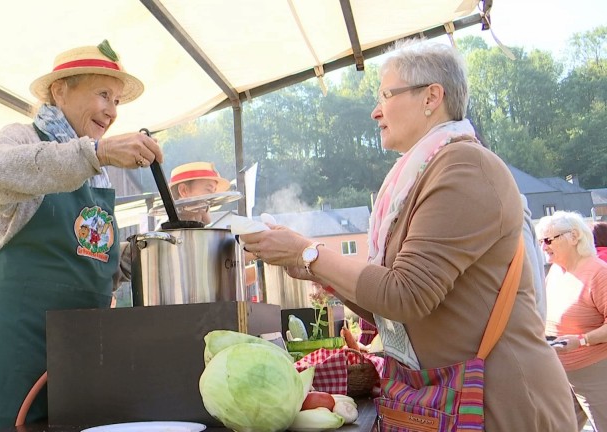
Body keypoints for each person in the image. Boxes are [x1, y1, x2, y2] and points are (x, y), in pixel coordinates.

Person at [240, 40, 577, 430]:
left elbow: (406, 295)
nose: (375, 110)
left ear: (432, 96)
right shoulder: (422, 173)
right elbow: (391, 309)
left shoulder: (464, 165)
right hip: (458, 397)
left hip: (501, 403)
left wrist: (310, 254)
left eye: (386, 94)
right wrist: (314, 269)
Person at [0, 40, 162, 431]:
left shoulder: (98, 170)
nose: (112, 110)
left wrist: (137, 255)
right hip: (19, 333)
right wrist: (94, 153)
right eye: (103, 94)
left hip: (83, 340)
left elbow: (87, 252)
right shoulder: (24, 138)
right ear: (60, 90)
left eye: (118, 100)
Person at [538, 211, 607, 431]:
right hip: (561, 373)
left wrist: (583, 340)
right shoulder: (556, 272)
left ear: (574, 236)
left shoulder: (599, 273)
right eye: (540, 241)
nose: (543, 247)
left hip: (596, 372)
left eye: (548, 240)